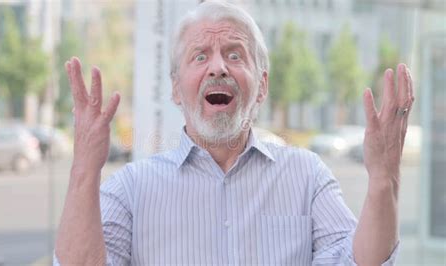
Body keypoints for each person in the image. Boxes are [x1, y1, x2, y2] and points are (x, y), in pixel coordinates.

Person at [54, 1, 414, 265]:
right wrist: (84, 168)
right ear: (176, 89)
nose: (218, 68)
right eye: (199, 56)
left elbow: (362, 263)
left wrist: (385, 179)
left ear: (262, 86)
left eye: (235, 54)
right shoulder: (132, 189)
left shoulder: (307, 176)